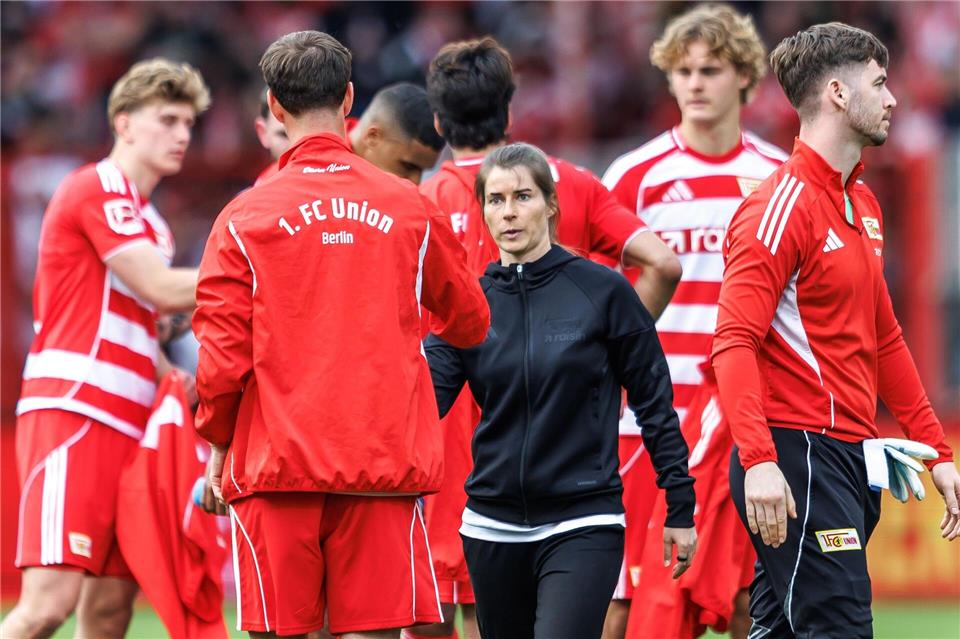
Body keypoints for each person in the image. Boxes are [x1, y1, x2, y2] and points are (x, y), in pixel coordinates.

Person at [193, 30, 489, 639]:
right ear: (349, 98)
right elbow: (470, 320)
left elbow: (222, 358)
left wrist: (219, 441)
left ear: (275, 105)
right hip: (380, 464)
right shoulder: (409, 207)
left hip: (275, 468)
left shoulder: (244, 217)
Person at [411, 37, 681, 639]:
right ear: (510, 113)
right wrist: (608, 350)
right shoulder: (570, 182)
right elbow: (662, 262)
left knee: (428, 620)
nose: (508, 210)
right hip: (560, 449)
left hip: (444, 454)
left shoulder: (417, 205)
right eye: (499, 202)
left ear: (438, 123)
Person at [712, 22, 960, 637]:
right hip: (797, 456)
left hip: (849, 459)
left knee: (784, 629)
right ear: (838, 94)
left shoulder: (863, 204)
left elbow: (886, 338)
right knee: (841, 627)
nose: (893, 98)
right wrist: (760, 460)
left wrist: (937, 451)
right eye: (879, 83)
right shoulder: (780, 207)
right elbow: (734, 342)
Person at [1, 58, 209, 639]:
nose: (182, 135)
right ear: (123, 123)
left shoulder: (153, 223)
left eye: (189, 124)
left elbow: (141, 320)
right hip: (77, 408)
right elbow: (157, 287)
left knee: (110, 612)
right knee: (47, 605)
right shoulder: (98, 186)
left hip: (132, 419)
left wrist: (172, 374)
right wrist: (258, 267)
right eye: (167, 119)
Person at [599, 5, 785, 638]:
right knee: (625, 601)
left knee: (749, 598)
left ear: (745, 76)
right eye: (683, 71)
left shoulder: (775, 178)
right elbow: (598, 296)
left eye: (711, 69)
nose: (696, 83)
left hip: (741, 418)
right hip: (647, 420)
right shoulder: (635, 175)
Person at [255, 82, 443, 187]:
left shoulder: (418, 205)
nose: (415, 181)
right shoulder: (291, 175)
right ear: (373, 137)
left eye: (423, 171)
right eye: (408, 166)